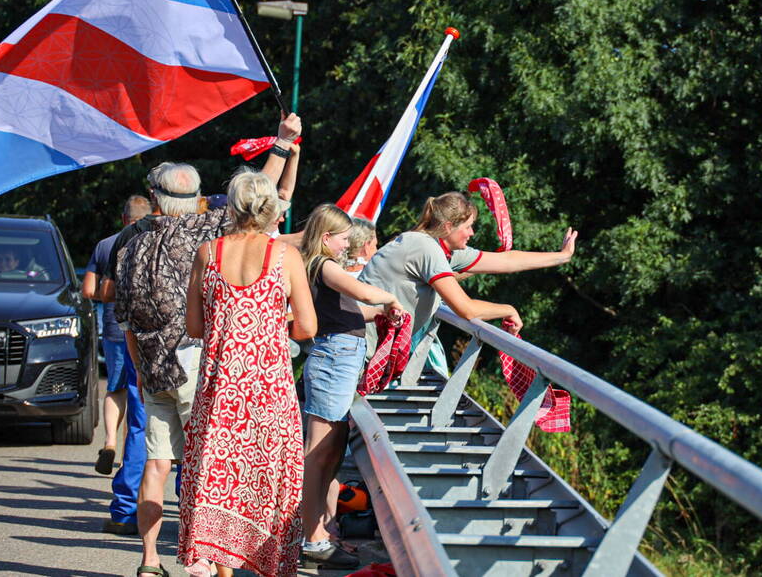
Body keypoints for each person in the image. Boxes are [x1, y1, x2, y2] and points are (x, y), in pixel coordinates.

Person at [115, 113, 303, 577]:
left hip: (152, 365)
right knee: (211, 469)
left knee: (156, 465)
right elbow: (261, 195)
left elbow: (124, 318)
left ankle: (149, 559)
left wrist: (138, 367)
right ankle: (213, 561)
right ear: (195, 197)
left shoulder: (128, 243)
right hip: (197, 360)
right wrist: (281, 145)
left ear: (156, 198)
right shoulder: (202, 233)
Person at [178, 169, 316, 577]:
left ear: (233, 207)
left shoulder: (208, 252)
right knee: (267, 479)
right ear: (272, 207)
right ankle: (265, 565)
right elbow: (307, 327)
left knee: (218, 475)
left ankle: (216, 562)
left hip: (220, 387)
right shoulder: (286, 256)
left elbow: (195, 328)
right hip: (269, 388)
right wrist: (273, 319)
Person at [359, 191, 578, 365]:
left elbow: (507, 261)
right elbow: (467, 309)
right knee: (332, 422)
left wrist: (562, 256)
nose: (472, 233)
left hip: (360, 347)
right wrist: (509, 309)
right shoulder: (425, 248)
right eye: (468, 227)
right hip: (353, 347)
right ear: (447, 227)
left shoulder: (437, 247)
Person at [299, 204, 403, 569]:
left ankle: (318, 534)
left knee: (330, 454)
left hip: (339, 358)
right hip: (333, 361)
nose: (348, 243)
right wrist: (388, 299)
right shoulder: (324, 265)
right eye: (344, 237)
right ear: (326, 238)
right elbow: (362, 291)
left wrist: (376, 313)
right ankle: (310, 537)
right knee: (319, 454)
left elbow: (344, 310)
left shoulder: (321, 266)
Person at [82, 195, 152, 537]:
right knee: (144, 419)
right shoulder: (161, 241)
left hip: (115, 330)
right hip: (153, 337)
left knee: (116, 390)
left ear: (123, 216)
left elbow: (90, 290)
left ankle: (110, 440)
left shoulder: (106, 244)